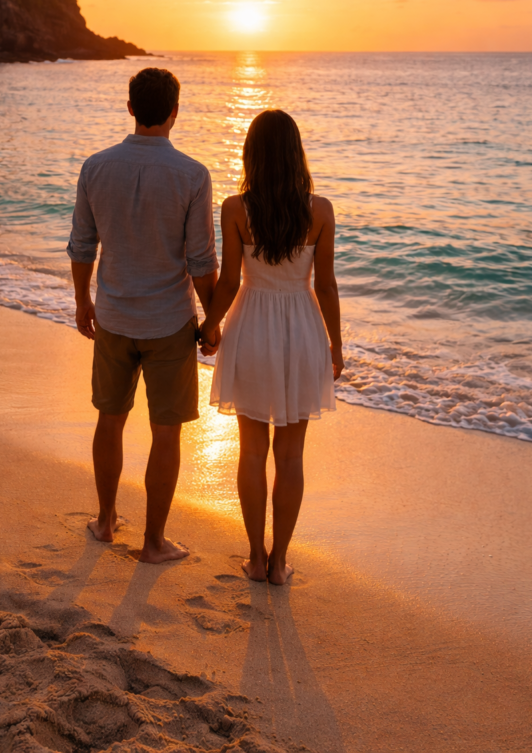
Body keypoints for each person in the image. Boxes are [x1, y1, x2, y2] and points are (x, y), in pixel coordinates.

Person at [67, 67, 219, 564]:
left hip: (112, 315)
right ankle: (153, 543)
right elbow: (201, 261)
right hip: (170, 322)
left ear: (130, 107)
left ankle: (107, 520)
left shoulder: (95, 167)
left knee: (109, 420)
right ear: (176, 111)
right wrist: (212, 319)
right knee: (166, 432)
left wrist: (82, 301)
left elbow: (82, 246)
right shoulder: (193, 175)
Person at [200, 109, 343, 584]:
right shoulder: (319, 210)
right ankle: (280, 564)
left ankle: (256, 559)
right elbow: (326, 286)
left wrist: (210, 325)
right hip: (301, 330)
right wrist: (335, 345)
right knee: (291, 456)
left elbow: (230, 281)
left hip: (252, 327)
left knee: (251, 452)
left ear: (252, 154)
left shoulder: (236, 209)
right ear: (295, 152)